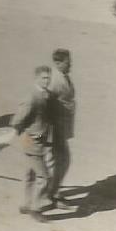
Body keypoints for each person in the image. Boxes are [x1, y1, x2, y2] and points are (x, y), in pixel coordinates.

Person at [11, 65, 54, 222]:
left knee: (30, 173)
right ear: (36, 78)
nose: (47, 81)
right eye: (44, 78)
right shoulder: (32, 96)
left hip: (38, 140)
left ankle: (26, 204)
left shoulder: (46, 94)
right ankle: (36, 209)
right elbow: (18, 119)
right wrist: (24, 132)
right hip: (32, 141)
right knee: (44, 177)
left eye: (48, 78)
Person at [47, 49, 77, 210]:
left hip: (62, 127)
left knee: (59, 161)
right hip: (55, 128)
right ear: (58, 63)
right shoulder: (54, 80)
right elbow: (45, 104)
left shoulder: (62, 76)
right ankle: (51, 195)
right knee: (62, 160)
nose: (70, 64)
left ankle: (52, 192)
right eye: (67, 62)